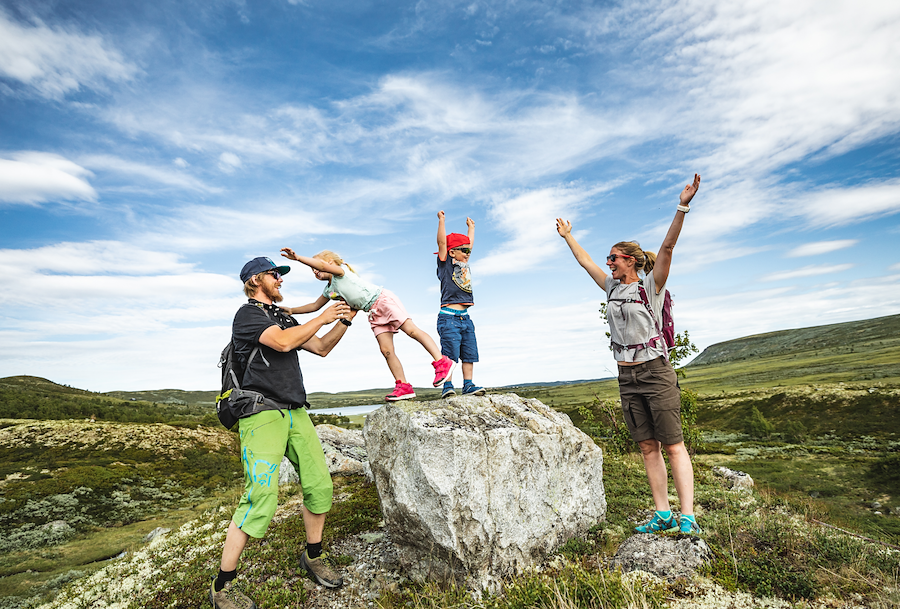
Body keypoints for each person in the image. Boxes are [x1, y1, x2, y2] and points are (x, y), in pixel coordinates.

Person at [556, 173, 702, 536]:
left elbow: (666, 249)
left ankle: (688, 516)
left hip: (655, 371)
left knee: (673, 445)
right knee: (648, 447)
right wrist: (568, 236)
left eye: (614, 258)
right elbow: (584, 261)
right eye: (608, 258)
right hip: (626, 376)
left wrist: (682, 206)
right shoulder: (609, 288)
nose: (608, 263)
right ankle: (662, 513)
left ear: (632, 262)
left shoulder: (651, 286)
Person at [210, 256, 356, 609]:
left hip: (296, 412)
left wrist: (345, 321)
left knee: (319, 484)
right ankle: (222, 586)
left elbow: (319, 347)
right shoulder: (248, 315)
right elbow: (282, 344)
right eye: (276, 275)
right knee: (260, 496)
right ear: (257, 279)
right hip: (262, 414)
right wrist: (322, 315)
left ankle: (312, 555)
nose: (280, 280)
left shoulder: (284, 316)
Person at [279, 248, 454, 401]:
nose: (315, 271)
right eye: (312, 269)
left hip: (383, 300)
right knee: (386, 351)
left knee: (411, 331)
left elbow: (324, 267)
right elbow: (314, 306)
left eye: (316, 266)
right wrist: (291, 310)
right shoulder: (329, 290)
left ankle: (441, 362)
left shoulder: (341, 273)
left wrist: (298, 258)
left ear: (330, 262)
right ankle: (404, 386)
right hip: (372, 312)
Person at [435, 211, 484, 397]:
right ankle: (448, 386)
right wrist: (442, 221)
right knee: (450, 354)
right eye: (463, 250)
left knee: (469, 353)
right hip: (449, 318)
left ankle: (468, 384)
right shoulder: (445, 263)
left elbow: (468, 245)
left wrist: (471, 229)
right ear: (452, 251)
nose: (467, 253)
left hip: (465, 318)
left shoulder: (464, 263)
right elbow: (441, 243)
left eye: (468, 251)